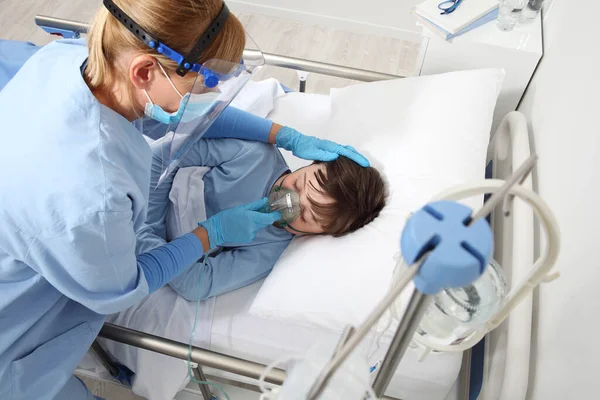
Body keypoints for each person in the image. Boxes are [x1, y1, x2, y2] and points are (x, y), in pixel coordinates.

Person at [0, 1, 369, 399]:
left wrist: (282, 134)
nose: (212, 93)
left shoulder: (65, 60)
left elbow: (193, 125)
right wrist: (207, 235)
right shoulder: (95, 200)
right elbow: (128, 283)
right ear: (145, 71)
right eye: (207, 81)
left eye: (311, 215)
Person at [145, 137, 386, 301]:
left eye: (303, 216)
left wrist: (148, 239)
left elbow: (195, 285)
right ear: (309, 163)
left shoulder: (269, 249)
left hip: (150, 245)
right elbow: (169, 154)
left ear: (315, 235)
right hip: (142, 185)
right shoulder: (256, 155)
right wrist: (150, 221)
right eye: (299, 184)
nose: (289, 201)